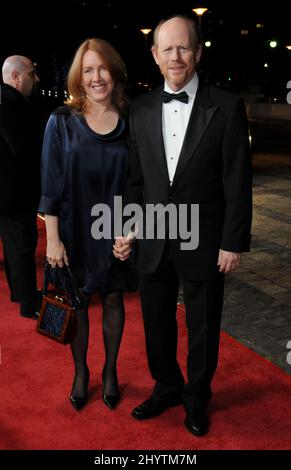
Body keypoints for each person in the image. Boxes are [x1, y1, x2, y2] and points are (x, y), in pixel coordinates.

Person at [115, 15, 252, 436]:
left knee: (203, 325)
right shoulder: (139, 109)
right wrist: (127, 227)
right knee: (156, 322)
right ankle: (167, 386)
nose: (176, 56)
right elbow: (136, 179)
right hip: (153, 236)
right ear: (155, 56)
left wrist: (232, 242)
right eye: (167, 49)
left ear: (197, 51)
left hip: (206, 239)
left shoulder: (226, 107)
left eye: (184, 48)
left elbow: (236, 179)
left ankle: (196, 398)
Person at [40, 38, 135, 412]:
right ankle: (81, 372)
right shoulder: (61, 120)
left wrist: (130, 231)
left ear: (114, 72)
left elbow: (138, 183)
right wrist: (52, 239)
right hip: (74, 228)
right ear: (79, 77)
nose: (97, 77)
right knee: (78, 303)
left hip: (115, 231)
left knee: (113, 300)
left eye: (103, 68)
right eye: (88, 70)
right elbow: (50, 183)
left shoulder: (131, 120)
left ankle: (110, 371)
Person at [0, 55, 42, 320]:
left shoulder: (4, 99)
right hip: (15, 192)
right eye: (31, 74)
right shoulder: (10, 103)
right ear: (16, 77)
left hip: (8, 191)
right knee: (22, 246)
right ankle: (29, 303)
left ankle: (20, 292)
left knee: (14, 245)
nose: (36, 79)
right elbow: (22, 147)